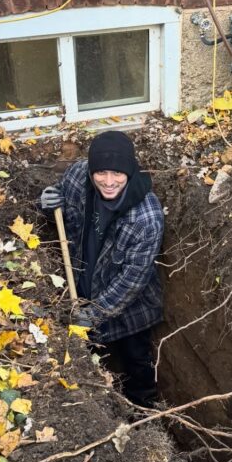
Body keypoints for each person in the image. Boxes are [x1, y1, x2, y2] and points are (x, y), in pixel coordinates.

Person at [40, 131, 164, 407]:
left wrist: (94, 315)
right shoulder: (77, 176)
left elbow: (131, 281)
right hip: (82, 290)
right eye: (102, 173)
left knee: (136, 362)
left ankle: (145, 413)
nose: (109, 182)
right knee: (93, 364)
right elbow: (64, 213)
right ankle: (104, 406)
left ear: (130, 171)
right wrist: (50, 206)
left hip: (130, 310)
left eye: (117, 174)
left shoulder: (146, 218)